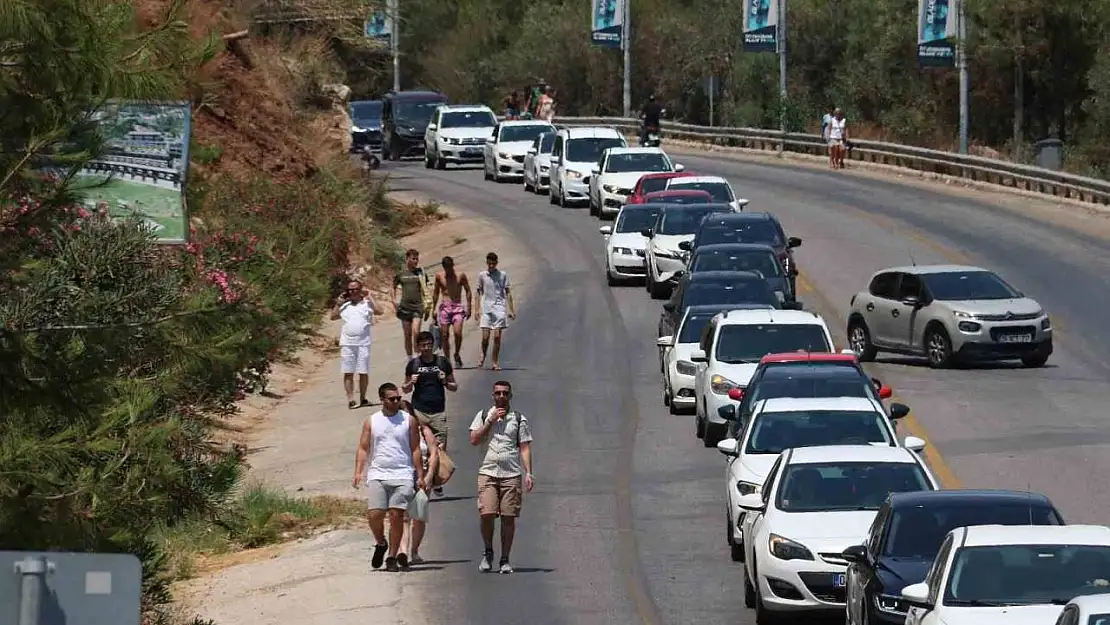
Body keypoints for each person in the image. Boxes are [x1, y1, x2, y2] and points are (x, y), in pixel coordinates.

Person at [351, 382, 425, 572]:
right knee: (375, 514)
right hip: (378, 473)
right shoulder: (372, 421)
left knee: (396, 515)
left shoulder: (408, 420)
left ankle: (392, 555)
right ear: (382, 400)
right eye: (392, 399)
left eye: (398, 398)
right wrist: (358, 471)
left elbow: (416, 448)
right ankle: (381, 542)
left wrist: (420, 474)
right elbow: (363, 447)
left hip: (403, 473)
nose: (396, 401)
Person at [468, 380, 534, 574]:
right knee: (486, 513)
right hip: (488, 471)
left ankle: (505, 559)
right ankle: (488, 552)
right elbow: (474, 439)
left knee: (508, 517)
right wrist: (490, 421)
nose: (502, 397)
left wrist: (529, 472)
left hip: (511, 473)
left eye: (505, 393)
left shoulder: (519, 419)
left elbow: (525, 447)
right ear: (493, 395)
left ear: (510, 396)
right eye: (498, 393)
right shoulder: (482, 416)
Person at [403, 331, 457, 495]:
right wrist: (410, 382)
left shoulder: (442, 362)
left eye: (428, 344)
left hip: (438, 412)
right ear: (418, 347)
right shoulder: (413, 364)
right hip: (419, 410)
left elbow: (454, 386)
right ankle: (421, 478)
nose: (426, 348)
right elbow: (405, 388)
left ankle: (436, 479)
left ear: (433, 345)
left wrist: (445, 381)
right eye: (422, 345)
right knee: (420, 447)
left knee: (440, 447)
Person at [330, 279, 384, 409]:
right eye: (350, 290)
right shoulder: (345, 305)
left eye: (355, 289)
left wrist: (369, 295)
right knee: (348, 371)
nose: (352, 292)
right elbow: (333, 316)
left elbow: (379, 310)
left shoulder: (366, 304)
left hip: (363, 343)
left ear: (360, 290)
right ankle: (351, 399)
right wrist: (339, 302)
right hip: (348, 343)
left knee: (363, 372)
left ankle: (363, 398)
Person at [398, 399, 439, 565]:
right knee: (404, 516)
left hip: (421, 476)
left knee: (419, 516)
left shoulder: (424, 430)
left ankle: (414, 551)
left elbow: (434, 453)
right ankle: (403, 552)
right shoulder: (395, 431)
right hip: (403, 475)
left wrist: (429, 476)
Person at [474, 252, 516, 370]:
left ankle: (495, 361)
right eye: (489, 263)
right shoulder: (482, 275)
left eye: (493, 263)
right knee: (485, 337)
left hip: (499, 308)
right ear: (487, 263)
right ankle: (483, 354)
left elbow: (507, 292)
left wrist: (512, 310)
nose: (491, 266)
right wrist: (476, 309)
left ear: (497, 263)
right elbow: (478, 292)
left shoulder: (502, 275)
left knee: (497, 337)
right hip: (486, 308)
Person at [431, 255, 473, 368]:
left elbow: (468, 290)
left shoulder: (460, 276)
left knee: (457, 333)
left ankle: (457, 353)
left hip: (457, 307)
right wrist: (433, 309)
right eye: (446, 268)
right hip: (444, 308)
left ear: (453, 266)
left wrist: (469, 307)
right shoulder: (439, 276)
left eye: (450, 267)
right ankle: (447, 360)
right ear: (444, 267)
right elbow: (435, 293)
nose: (449, 270)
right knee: (444, 335)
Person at [392, 249, 430, 360]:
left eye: (417, 259)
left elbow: (426, 289)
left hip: (418, 307)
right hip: (404, 308)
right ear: (407, 259)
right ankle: (410, 359)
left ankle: (418, 356)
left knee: (416, 332)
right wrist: (393, 300)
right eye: (413, 259)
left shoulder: (421, 273)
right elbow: (392, 287)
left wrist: (428, 307)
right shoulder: (401, 274)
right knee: (407, 334)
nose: (416, 261)